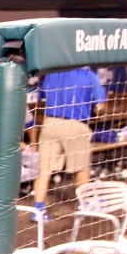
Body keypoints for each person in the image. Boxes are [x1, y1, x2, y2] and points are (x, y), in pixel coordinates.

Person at [32, 67, 108, 222]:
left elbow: (44, 93)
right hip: (76, 125)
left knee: (45, 170)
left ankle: (38, 210)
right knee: (81, 168)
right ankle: (85, 203)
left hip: (50, 124)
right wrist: (96, 110)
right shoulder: (89, 76)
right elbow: (101, 107)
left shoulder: (53, 73)